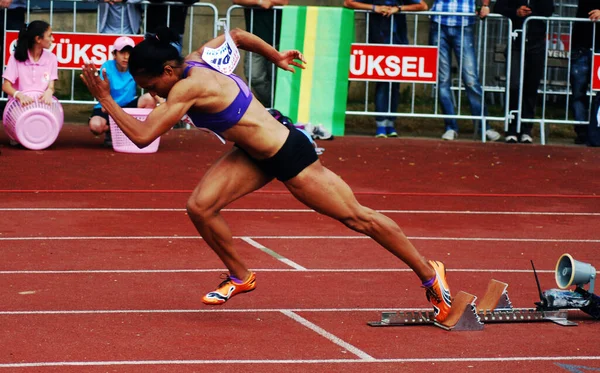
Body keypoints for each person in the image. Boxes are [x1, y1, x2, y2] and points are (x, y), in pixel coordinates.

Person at [80, 26, 453, 322]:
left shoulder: (187, 87)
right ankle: (242, 276)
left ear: (166, 71)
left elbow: (143, 136)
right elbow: (238, 36)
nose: (155, 95)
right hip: (252, 154)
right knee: (200, 207)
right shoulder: (195, 60)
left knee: (359, 218)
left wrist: (108, 99)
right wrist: (276, 56)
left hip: (288, 153)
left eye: (151, 87)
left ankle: (430, 275)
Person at [344, 0, 428, 138]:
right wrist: (374, 8)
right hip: (378, 39)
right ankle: (381, 124)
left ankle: (390, 123)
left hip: (399, 40)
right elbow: (348, 2)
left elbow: (423, 6)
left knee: (395, 84)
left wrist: (399, 9)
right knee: (382, 83)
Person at [429, 0, 501, 142]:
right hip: (439, 21)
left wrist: (485, 6)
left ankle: (483, 127)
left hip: (463, 22)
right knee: (443, 79)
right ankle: (450, 126)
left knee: (471, 79)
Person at [494, 0, 554, 144]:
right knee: (514, 85)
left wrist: (532, 10)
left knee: (531, 87)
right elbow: (499, 6)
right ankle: (511, 128)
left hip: (537, 43)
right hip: (516, 41)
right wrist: (516, 12)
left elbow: (549, 10)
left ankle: (526, 129)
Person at [88, 36, 155, 147]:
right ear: (114, 54)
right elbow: (103, 95)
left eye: (129, 53)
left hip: (128, 108)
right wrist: (107, 104)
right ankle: (114, 131)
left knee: (149, 99)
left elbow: (150, 85)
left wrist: (163, 102)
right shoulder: (107, 67)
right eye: (122, 53)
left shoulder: (136, 68)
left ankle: (139, 134)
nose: (126, 57)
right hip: (108, 106)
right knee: (95, 126)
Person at [232, 0, 288, 109]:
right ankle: (274, 106)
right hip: (254, 41)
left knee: (277, 80)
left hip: (277, 40)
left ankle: (276, 109)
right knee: (254, 75)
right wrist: (260, 2)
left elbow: (284, 1)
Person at [2, 20, 58, 107]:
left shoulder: (52, 58)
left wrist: (49, 92)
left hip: (41, 107)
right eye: (50, 36)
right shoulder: (16, 57)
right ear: (38, 39)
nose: (53, 39)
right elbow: (6, 86)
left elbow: (51, 86)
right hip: (18, 107)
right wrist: (19, 96)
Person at [569, 1, 600, 146]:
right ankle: (581, 131)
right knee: (578, 92)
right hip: (580, 45)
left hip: (598, 48)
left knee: (598, 93)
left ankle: (595, 130)